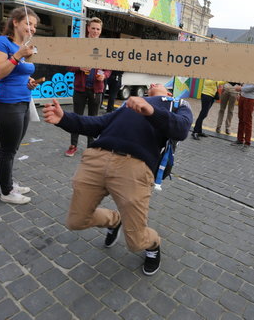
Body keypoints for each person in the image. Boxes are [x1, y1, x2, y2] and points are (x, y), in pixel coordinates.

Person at [43, 83, 193, 275]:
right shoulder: (126, 106)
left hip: (134, 167)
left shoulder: (177, 103)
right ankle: (114, 220)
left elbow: (181, 130)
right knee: (76, 221)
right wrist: (64, 118)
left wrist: (152, 111)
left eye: (159, 85)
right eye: (150, 86)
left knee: (136, 242)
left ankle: (153, 245)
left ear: (169, 92)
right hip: (96, 157)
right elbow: (97, 124)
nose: (152, 84)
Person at [0, 6, 40, 205]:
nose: (32, 28)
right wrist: (18, 55)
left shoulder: (27, 46)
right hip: (8, 105)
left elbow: (21, 73)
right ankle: (6, 192)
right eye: (28, 23)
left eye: (35, 25)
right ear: (15, 22)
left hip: (24, 103)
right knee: (7, 150)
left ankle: (9, 183)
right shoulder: (3, 43)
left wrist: (31, 81)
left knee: (14, 148)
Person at [65, 17, 111, 157]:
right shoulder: (80, 45)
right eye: (93, 28)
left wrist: (105, 76)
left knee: (93, 119)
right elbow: (68, 66)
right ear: (88, 28)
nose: (95, 31)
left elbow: (109, 67)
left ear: (100, 31)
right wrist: (79, 67)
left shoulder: (105, 48)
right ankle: (73, 145)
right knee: (76, 118)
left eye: (98, 29)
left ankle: (91, 147)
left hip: (96, 89)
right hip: (80, 89)